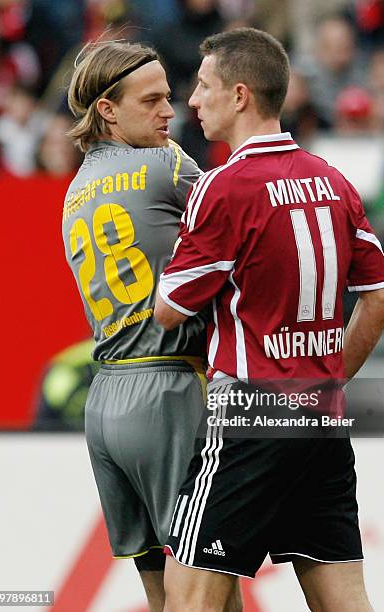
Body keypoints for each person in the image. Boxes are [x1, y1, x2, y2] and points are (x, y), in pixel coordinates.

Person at [155, 27, 384, 611]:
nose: (192, 100)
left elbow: (169, 310)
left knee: (188, 599)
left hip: (248, 418)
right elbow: (382, 298)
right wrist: (326, 380)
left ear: (239, 95)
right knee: (345, 600)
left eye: (204, 86)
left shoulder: (225, 186)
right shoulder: (333, 180)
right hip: (319, 414)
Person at [63, 41, 243, 612]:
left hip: (107, 403)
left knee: (163, 598)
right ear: (108, 110)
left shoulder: (73, 193)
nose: (172, 112)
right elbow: (247, 213)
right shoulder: (163, 162)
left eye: (170, 96)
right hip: (169, 390)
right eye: (154, 100)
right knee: (213, 595)